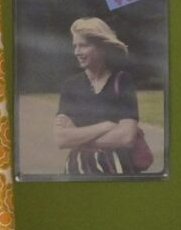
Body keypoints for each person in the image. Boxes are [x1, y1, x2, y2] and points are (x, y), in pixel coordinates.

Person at [55, 16, 150, 176]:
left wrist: (78, 138)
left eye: (83, 45)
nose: (77, 52)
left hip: (118, 168)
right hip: (78, 169)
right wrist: (106, 126)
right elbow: (62, 139)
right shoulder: (70, 86)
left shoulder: (122, 81)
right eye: (75, 46)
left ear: (102, 47)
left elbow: (127, 138)